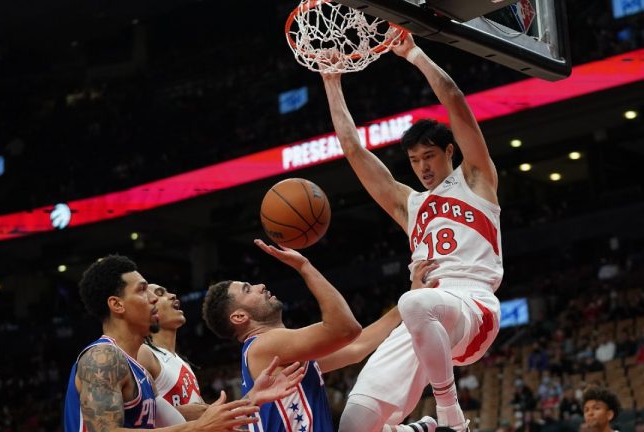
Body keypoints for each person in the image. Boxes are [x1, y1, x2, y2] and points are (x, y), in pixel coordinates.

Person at [322, 33, 502, 431]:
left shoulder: (476, 180)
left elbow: (454, 97)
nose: (422, 167)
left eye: (430, 156)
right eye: (415, 159)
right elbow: (353, 150)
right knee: (354, 423)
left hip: (472, 307)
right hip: (422, 315)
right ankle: (418, 429)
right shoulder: (409, 204)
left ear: (449, 152)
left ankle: (450, 416)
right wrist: (332, 82)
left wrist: (414, 54)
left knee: (413, 302)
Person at [202, 239, 441, 432]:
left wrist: (408, 301)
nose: (260, 285)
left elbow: (356, 348)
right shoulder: (263, 345)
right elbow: (346, 329)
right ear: (239, 317)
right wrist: (305, 267)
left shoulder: (278, 354)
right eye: (247, 289)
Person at [64, 255, 300, 432]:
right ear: (117, 305)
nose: (155, 297)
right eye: (143, 290)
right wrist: (199, 428)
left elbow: (185, 419)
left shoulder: (141, 373)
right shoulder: (102, 357)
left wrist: (252, 398)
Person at [136, 284, 305, 422]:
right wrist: (175, 413)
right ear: (148, 306)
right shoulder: (144, 353)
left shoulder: (181, 362)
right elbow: (130, 417)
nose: (172, 295)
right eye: (160, 293)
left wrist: (253, 397)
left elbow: (206, 417)